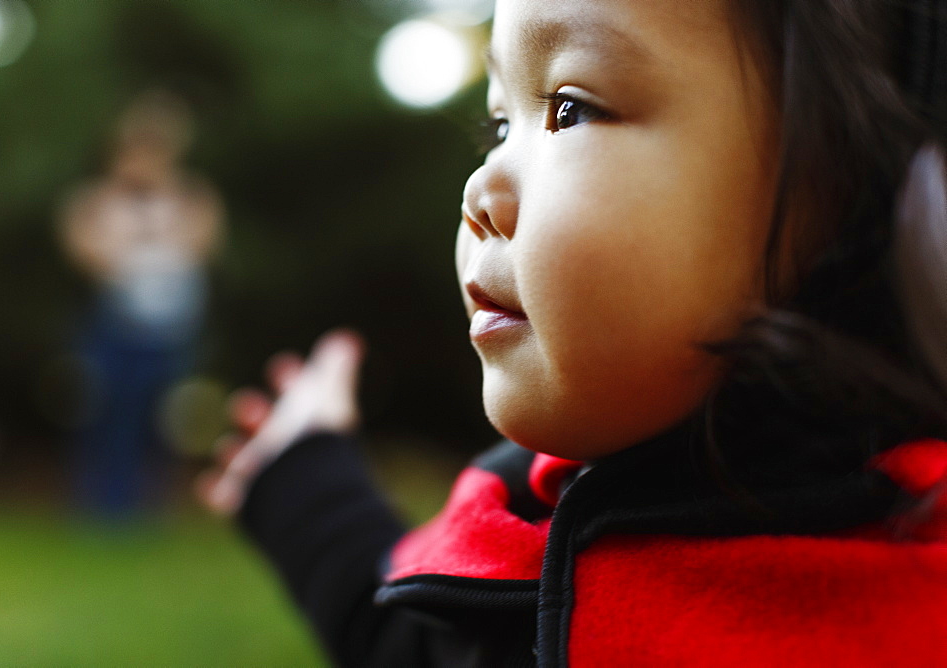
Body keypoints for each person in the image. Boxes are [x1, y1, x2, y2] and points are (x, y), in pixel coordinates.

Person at [200, 0, 947, 665]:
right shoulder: (530, 509)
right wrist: (304, 476)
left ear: (854, 195)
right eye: (499, 123)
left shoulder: (912, 578)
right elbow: (407, 637)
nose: (480, 187)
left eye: (570, 109)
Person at [61, 89, 224, 515]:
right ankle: (106, 505)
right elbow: (84, 248)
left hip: (172, 323)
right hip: (116, 321)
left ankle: (153, 504)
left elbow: (205, 243)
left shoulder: (190, 196)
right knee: (110, 410)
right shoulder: (99, 198)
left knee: (164, 416)